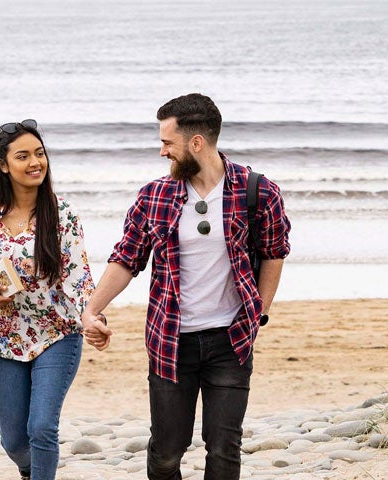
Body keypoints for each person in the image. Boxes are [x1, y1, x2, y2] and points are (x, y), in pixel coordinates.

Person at [81, 94, 291, 480]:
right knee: (165, 453)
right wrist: (92, 309)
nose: (162, 152)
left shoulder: (258, 191)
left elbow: (274, 251)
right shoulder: (154, 195)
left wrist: (259, 311)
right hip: (170, 341)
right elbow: (127, 258)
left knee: (224, 449)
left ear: (196, 143)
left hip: (230, 340)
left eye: (167, 143)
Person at [0, 119, 95, 480]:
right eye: (23, 156)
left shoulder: (62, 213)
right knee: (14, 440)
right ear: (4, 165)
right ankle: (32, 472)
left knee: (42, 428)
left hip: (57, 333)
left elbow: (79, 277)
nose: (36, 162)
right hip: (3, 337)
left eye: (40, 153)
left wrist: (93, 316)